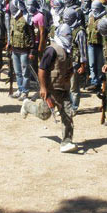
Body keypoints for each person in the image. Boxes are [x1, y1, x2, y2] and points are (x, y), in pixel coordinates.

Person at [20, 23, 78, 153]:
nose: (68, 37)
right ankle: (27, 105)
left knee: (67, 115)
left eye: (70, 35)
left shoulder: (68, 50)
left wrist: (69, 75)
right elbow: (42, 69)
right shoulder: (52, 50)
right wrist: (43, 88)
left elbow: (69, 67)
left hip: (63, 89)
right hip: (51, 89)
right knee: (43, 114)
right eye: (66, 35)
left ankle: (66, 142)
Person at [8, 0, 35, 101]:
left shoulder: (27, 18)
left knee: (25, 72)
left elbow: (32, 35)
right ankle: (19, 89)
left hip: (25, 50)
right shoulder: (12, 18)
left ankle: (25, 91)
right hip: (15, 49)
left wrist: (32, 51)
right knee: (17, 72)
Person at [62, 7, 87, 114]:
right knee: (64, 86)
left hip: (75, 63)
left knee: (73, 87)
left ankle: (74, 107)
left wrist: (83, 65)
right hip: (64, 61)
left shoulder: (80, 32)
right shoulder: (63, 28)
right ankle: (65, 106)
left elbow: (83, 50)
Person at [86, 0, 106, 92]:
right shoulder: (91, 16)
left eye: (96, 9)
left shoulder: (104, 18)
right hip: (91, 44)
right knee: (92, 64)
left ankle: (99, 82)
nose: (94, 11)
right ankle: (94, 82)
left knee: (99, 65)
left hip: (100, 45)